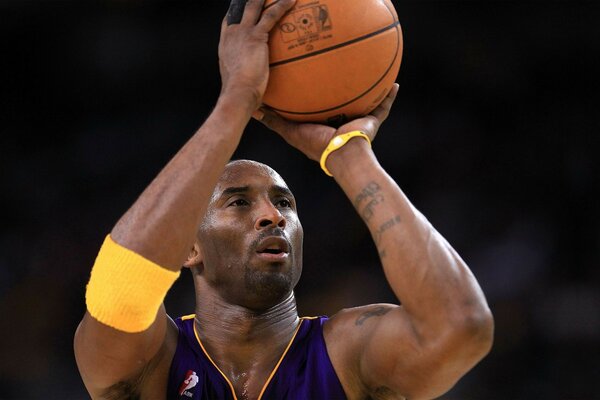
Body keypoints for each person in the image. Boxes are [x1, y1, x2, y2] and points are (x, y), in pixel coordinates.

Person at [74, 0, 494, 399]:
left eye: (286, 204)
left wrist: (348, 154)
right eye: (239, 202)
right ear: (188, 247)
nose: (272, 216)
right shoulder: (155, 361)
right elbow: (116, 297)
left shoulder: (347, 353)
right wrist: (236, 101)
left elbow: (461, 326)